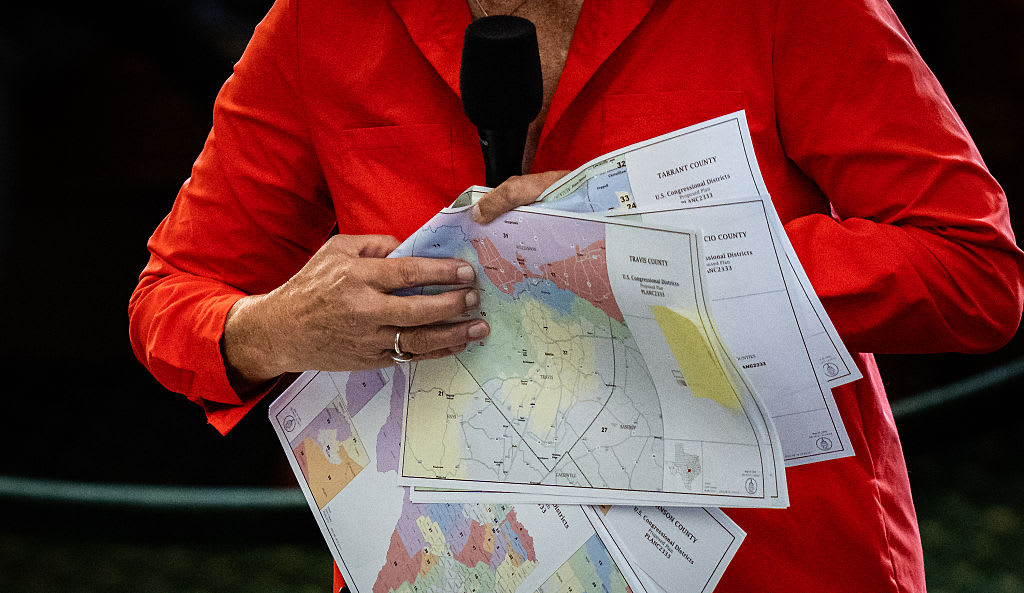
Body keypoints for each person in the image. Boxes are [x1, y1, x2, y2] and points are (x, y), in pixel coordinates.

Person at [129, 0, 1024, 591]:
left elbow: (973, 271)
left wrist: (665, 258)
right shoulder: (319, 22)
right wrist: (270, 327)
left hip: (777, 566)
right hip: (459, 566)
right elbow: (171, 296)